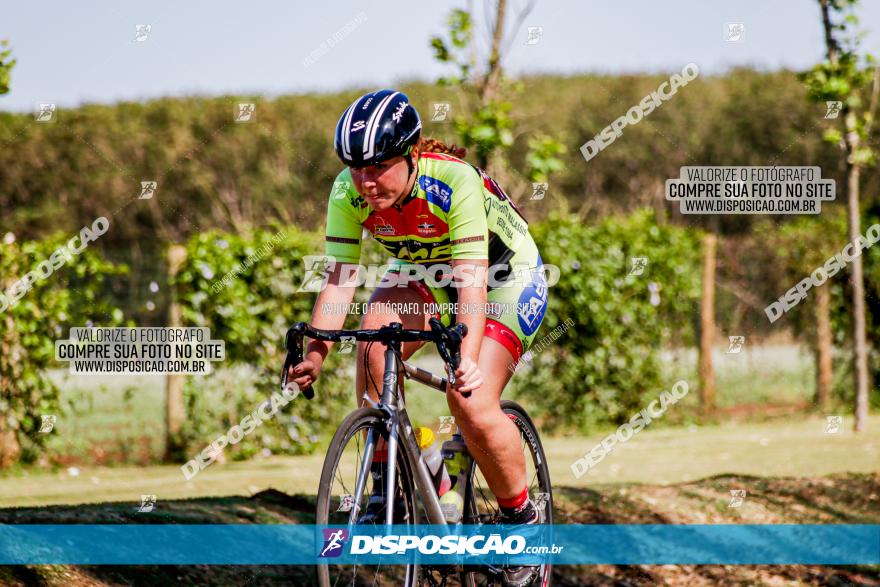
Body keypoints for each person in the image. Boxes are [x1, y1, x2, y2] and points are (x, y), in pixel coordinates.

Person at [287, 89, 548, 585]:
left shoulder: (454, 180)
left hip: (501, 278)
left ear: (411, 155)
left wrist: (466, 360)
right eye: (355, 167)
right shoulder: (346, 191)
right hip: (426, 271)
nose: (365, 182)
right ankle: (397, 483)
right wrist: (318, 353)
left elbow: (471, 279)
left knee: (469, 399)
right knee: (371, 348)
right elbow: (340, 279)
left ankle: (522, 524)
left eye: (378, 167)